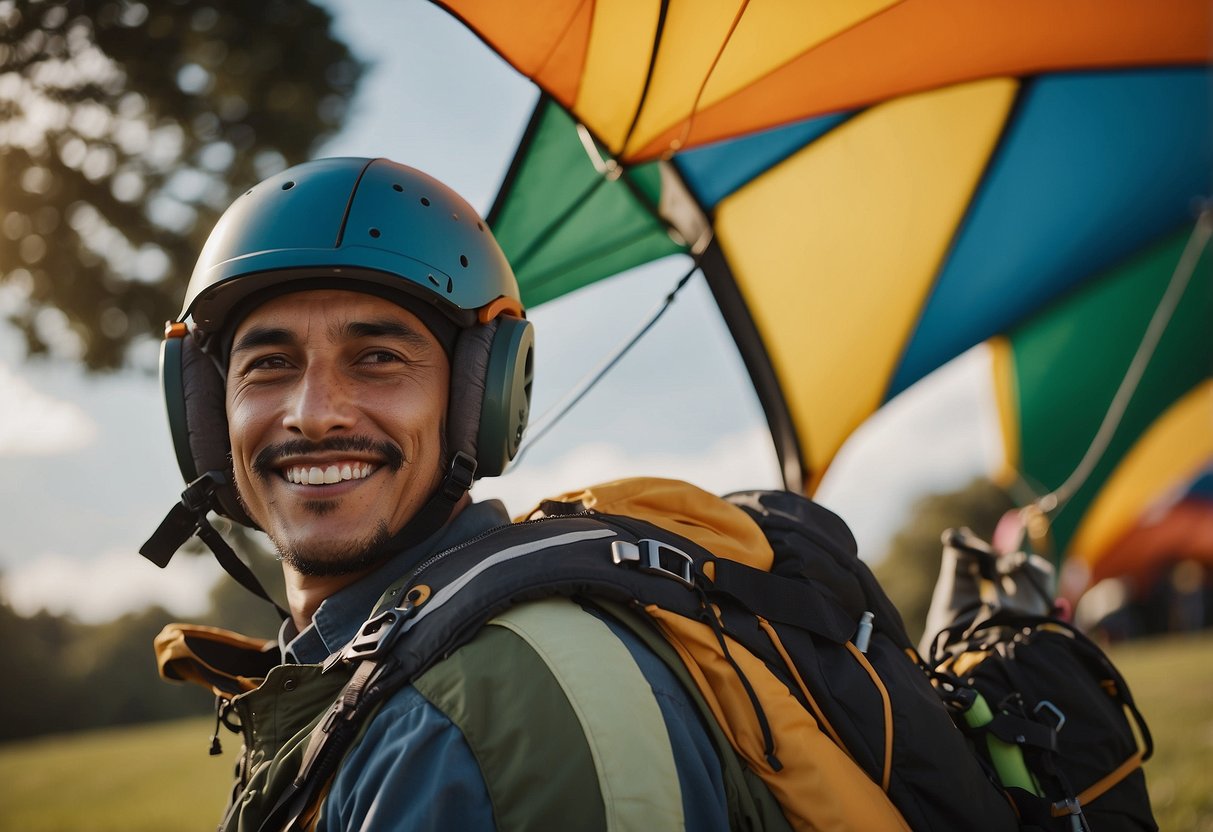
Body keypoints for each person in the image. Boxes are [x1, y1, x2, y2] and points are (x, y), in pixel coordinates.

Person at [148, 157, 745, 831]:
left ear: (479, 402)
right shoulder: (359, 674)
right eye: (269, 364)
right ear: (203, 419)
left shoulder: (469, 719)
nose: (314, 414)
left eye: (378, 358)